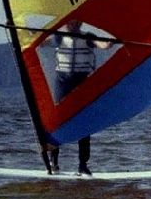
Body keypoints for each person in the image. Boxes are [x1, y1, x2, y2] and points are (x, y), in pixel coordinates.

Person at [47, 21, 109, 175]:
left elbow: (102, 45)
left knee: (84, 122)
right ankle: (53, 161)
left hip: (81, 82)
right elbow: (43, 42)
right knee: (57, 121)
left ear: (80, 23)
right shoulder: (59, 37)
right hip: (62, 82)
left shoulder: (88, 37)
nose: (72, 24)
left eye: (76, 22)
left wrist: (107, 43)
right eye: (70, 22)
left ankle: (83, 164)